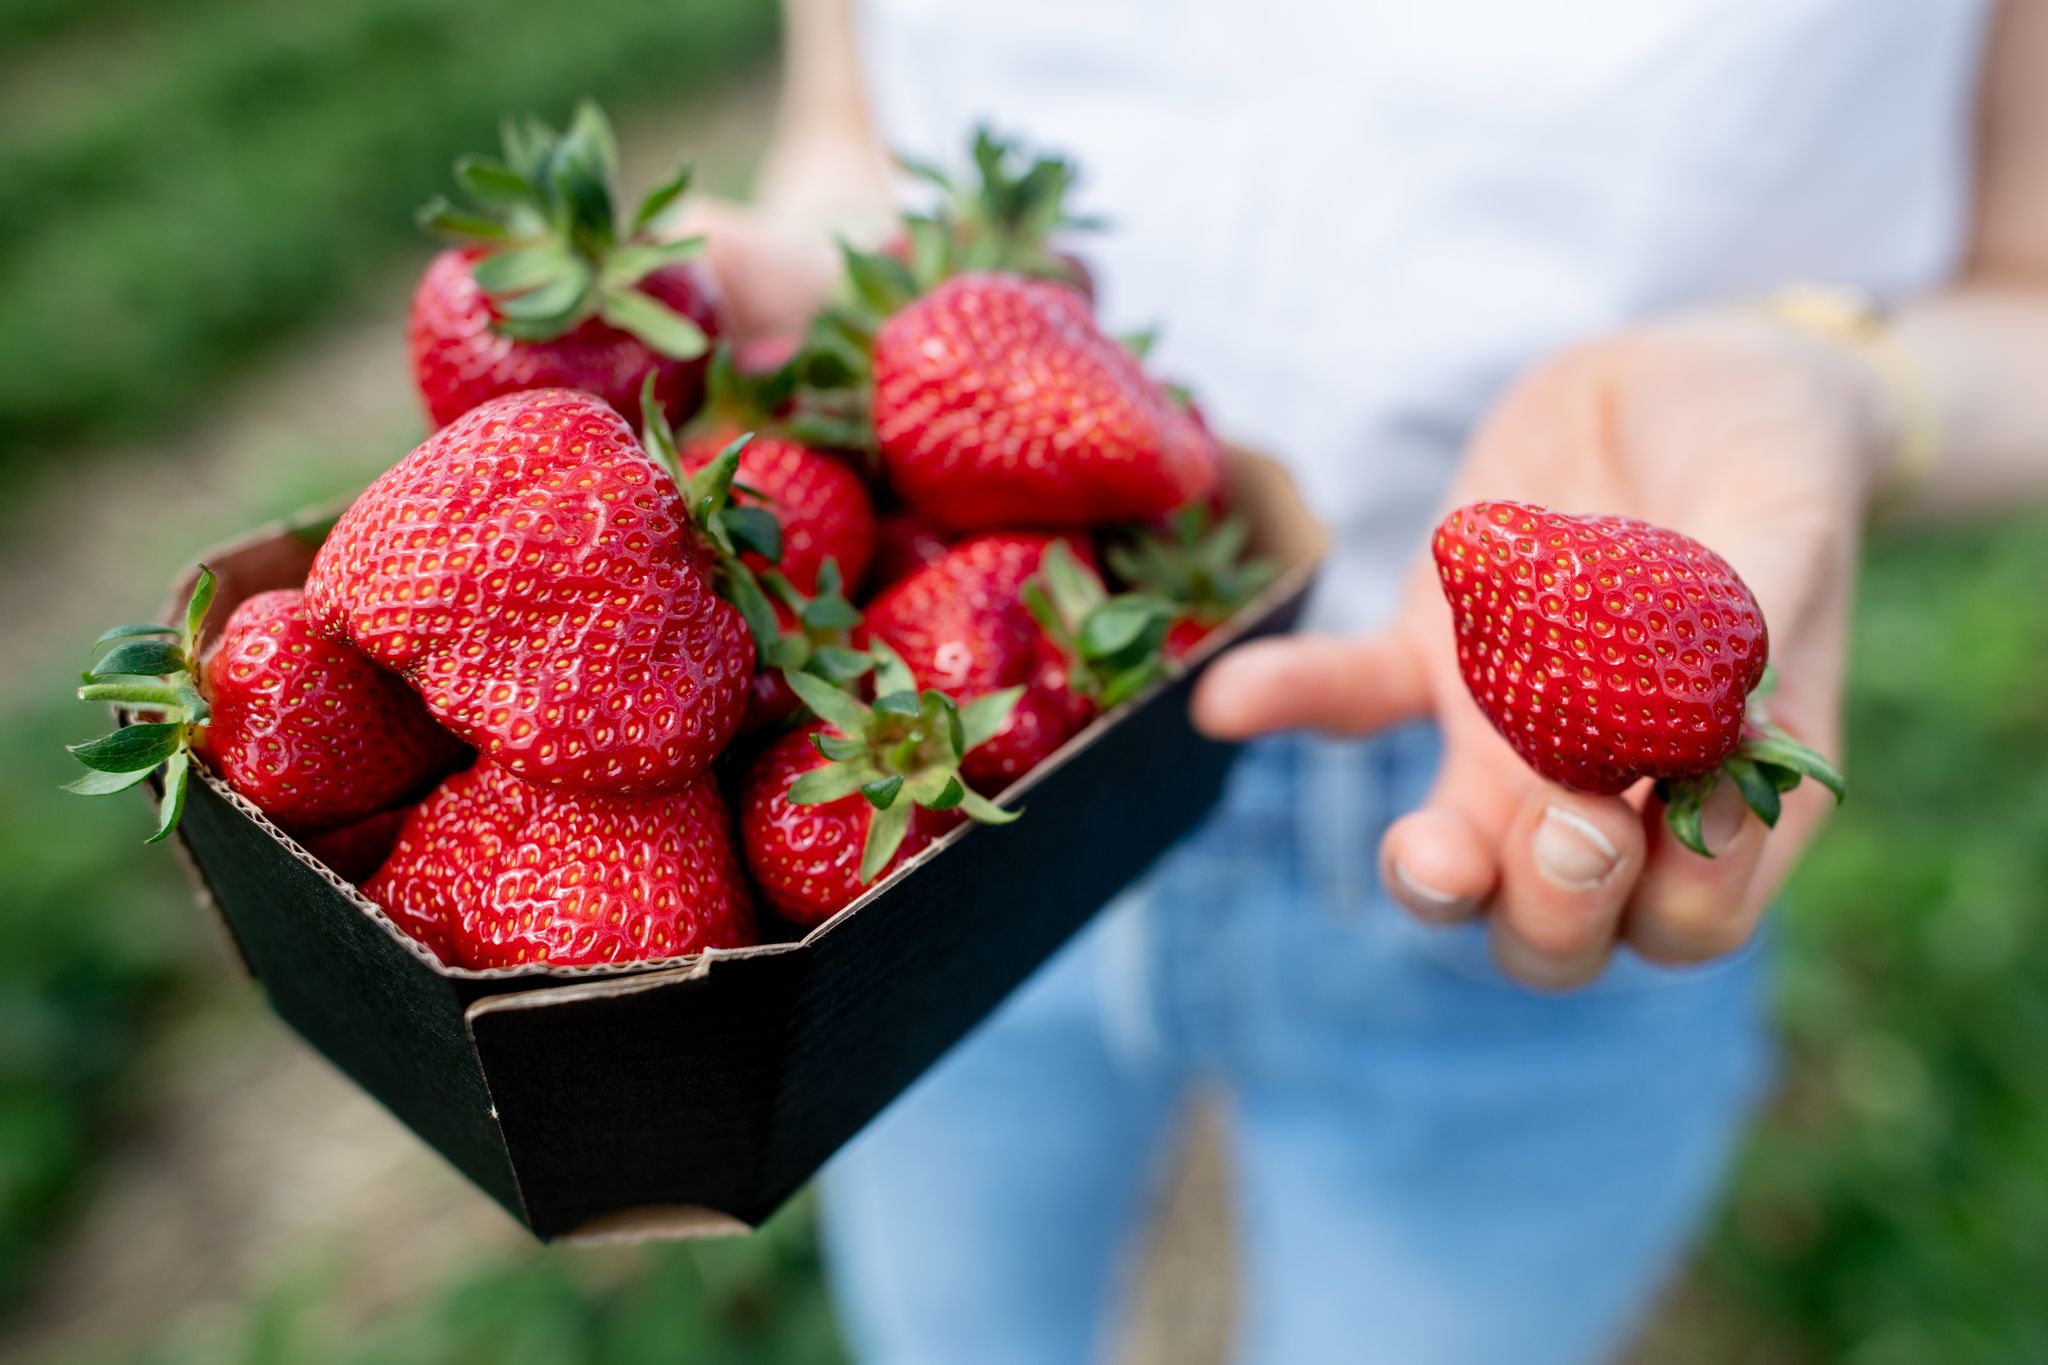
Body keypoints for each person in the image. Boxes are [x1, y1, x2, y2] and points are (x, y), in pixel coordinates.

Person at [690, 1, 2048, 1360]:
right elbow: (850, 132)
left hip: (1492, 808)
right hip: (942, 798)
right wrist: (834, 294)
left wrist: (1835, 383)